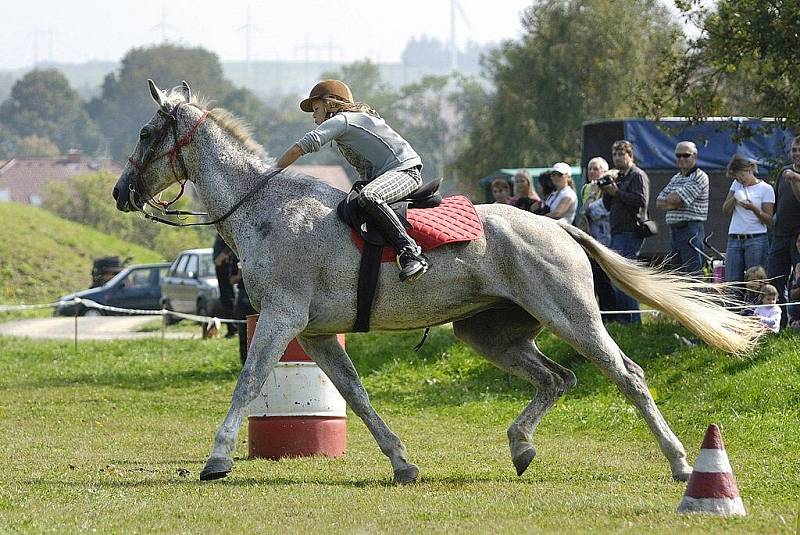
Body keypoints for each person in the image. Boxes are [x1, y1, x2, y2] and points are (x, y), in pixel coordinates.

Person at [276, 79, 428, 283]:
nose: (313, 115)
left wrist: (271, 173)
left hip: (406, 171)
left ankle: (411, 252)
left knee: (369, 196)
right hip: (389, 174)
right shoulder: (347, 126)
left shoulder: (342, 121)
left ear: (330, 104)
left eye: (316, 108)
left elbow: (299, 148)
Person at [600, 140, 651, 323]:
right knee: (616, 277)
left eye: (622, 154)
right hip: (617, 231)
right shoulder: (617, 176)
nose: (618, 158)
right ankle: (624, 320)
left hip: (630, 231)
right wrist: (607, 191)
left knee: (625, 277)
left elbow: (641, 201)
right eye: (615, 154)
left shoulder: (637, 175)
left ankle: (633, 321)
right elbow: (608, 206)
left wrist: (617, 192)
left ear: (630, 156)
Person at [656, 141, 709, 275]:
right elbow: (658, 202)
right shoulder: (676, 178)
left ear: (695, 156)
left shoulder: (700, 176)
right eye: (678, 156)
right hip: (674, 231)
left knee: (693, 274)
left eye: (685, 155)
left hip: (691, 230)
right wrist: (675, 202)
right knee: (676, 273)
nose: (681, 159)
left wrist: (673, 201)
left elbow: (676, 199)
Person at [721, 155, 774, 283]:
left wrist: (753, 208)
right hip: (734, 238)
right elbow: (725, 210)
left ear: (749, 170)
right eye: (737, 178)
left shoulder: (766, 189)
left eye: (742, 176)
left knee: (755, 282)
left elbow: (769, 220)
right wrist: (735, 198)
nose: (740, 180)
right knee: (732, 282)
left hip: (756, 239)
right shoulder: (736, 185)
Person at [767, 136, 800, 325]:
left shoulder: (791, 175)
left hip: (798, 238)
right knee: (775, 279)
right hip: (780, 234)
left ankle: (796, 322)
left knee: (797, 283)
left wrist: (795, 179)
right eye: (794, 150)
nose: (796, 154)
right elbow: (776, 202)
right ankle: (776, 323)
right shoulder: (783, 172)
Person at [229, 257, 257, 365]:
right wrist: (240, 275)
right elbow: (231, 280)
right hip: (242, 296)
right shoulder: (235, 257)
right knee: (243, 333)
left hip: (255, 295)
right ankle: (244, 363)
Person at [579, 157, 611, 244]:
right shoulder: (586, 188)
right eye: (589, 169)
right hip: (589, 230)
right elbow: (584, 210)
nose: (591, 171)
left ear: (604, 172)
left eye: (596, 169)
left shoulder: (609, 188)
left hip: (604, 231)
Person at [212, 233, 237, 338]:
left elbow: (231, 245)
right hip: (220, 269)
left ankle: (233, 329)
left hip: (225, 267)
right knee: (225, 299)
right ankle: (231, 328)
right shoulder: (220, 231)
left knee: (228, 299)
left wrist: (223, 256)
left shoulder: (225, 232)